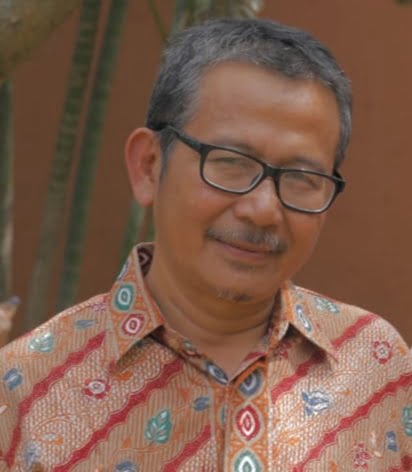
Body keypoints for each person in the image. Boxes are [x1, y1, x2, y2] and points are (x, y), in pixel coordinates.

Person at [1, 18, 411, 472]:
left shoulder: (378, 367)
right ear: (149, 166)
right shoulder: (24, 393)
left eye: (301, 177)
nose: (262, 209)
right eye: (231, 163)